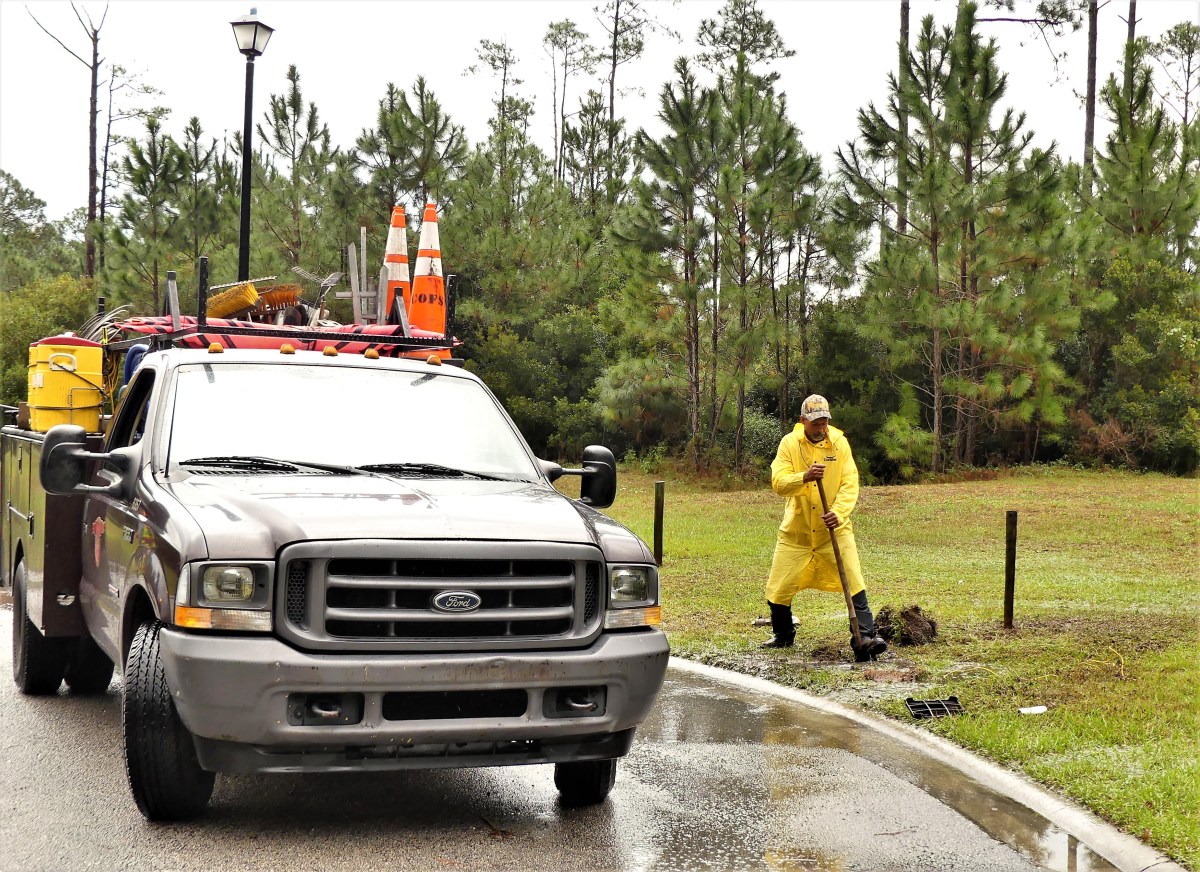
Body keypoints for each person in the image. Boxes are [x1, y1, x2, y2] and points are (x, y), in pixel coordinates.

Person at [759, 394, 889, 662]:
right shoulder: (789, 444)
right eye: (816, 423)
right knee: (778, 587)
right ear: (803, 421)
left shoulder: (839, 444)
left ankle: (864, 637)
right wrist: (803, 477)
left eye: (824, 422)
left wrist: (838, 514)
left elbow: (849, 483)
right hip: (797, 532)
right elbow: (778, 483)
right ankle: (783, 635)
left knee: (853, 580)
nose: (821, 428)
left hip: (834, 532)